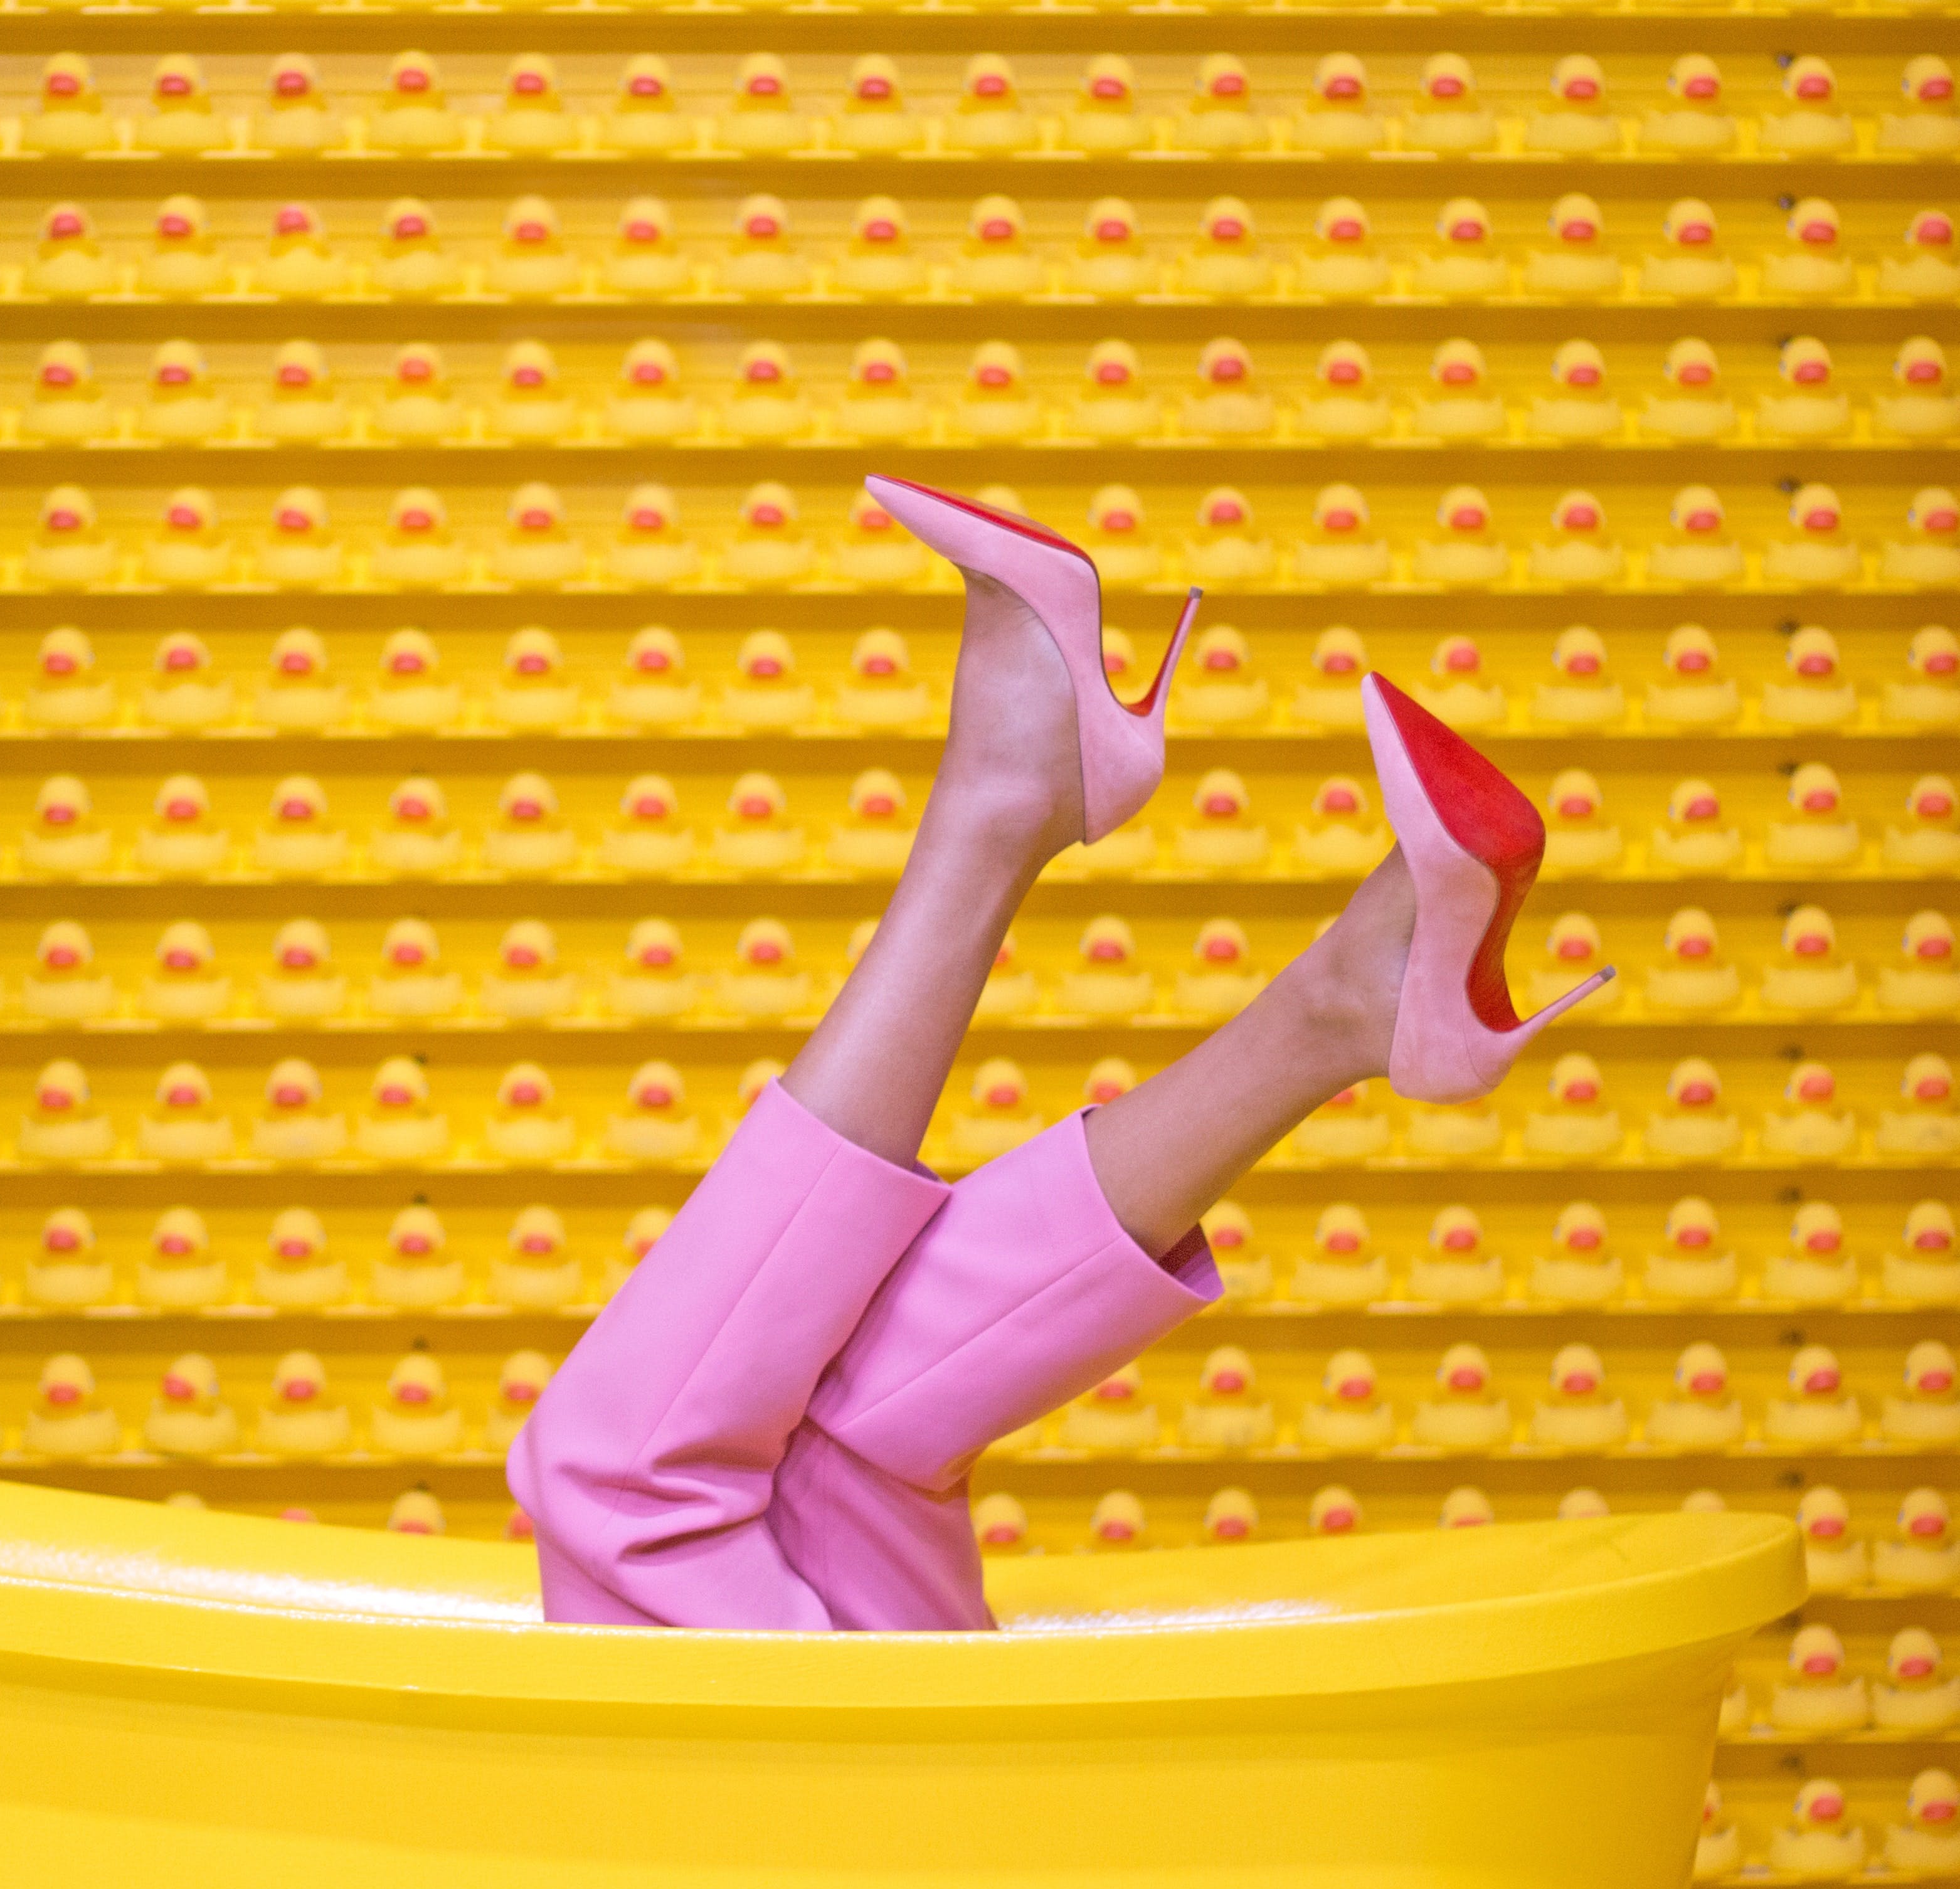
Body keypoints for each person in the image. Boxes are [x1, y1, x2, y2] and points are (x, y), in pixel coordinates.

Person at [506, 477, 1612, 1630]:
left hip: (871, 1780)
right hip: (873, 1804)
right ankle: (1024, 812)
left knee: (861, 1423)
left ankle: (1338, 999)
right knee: (619, 1479)